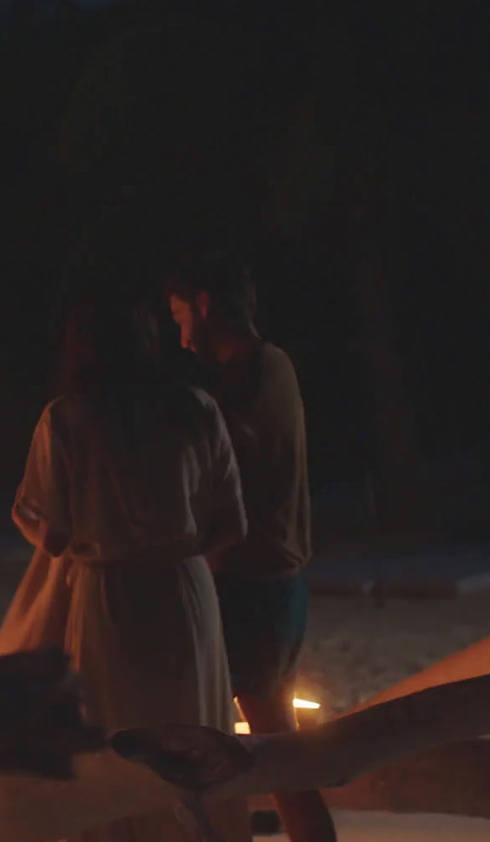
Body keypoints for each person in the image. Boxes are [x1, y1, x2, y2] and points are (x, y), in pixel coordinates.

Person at [0, 283, 251, 842]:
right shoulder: (195, 410)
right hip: (184, 590)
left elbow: (45, 526)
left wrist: (84, 537)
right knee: (190, 736)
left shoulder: (68, 418)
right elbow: (233, 524)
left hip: (109, 594)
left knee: (113, 735)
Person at [164, 251, 337, 842]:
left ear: (206, 304)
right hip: (275, 586)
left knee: (228, 748)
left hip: (254, 587)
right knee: (273, 749)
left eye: (181, 315)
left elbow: (223, 471)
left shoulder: (249, 379)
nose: (182, 337)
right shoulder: (272, 368)